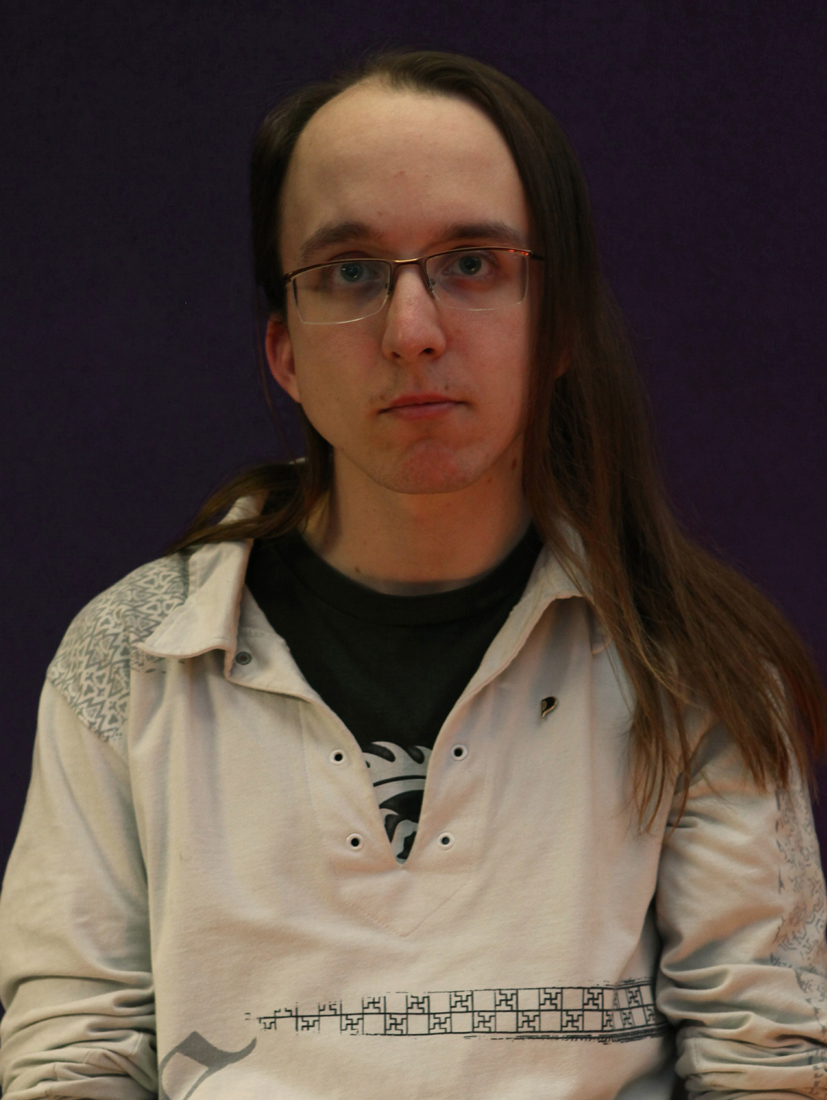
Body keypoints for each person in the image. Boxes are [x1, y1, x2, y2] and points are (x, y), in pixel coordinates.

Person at [1, 49, 826, 1100]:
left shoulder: (693, 664)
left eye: (470, 262)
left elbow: (766, 1064)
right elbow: (72, 1057)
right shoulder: (130, 658)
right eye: (350, 272)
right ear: (284, 349)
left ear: (559, 323)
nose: (411, 332)